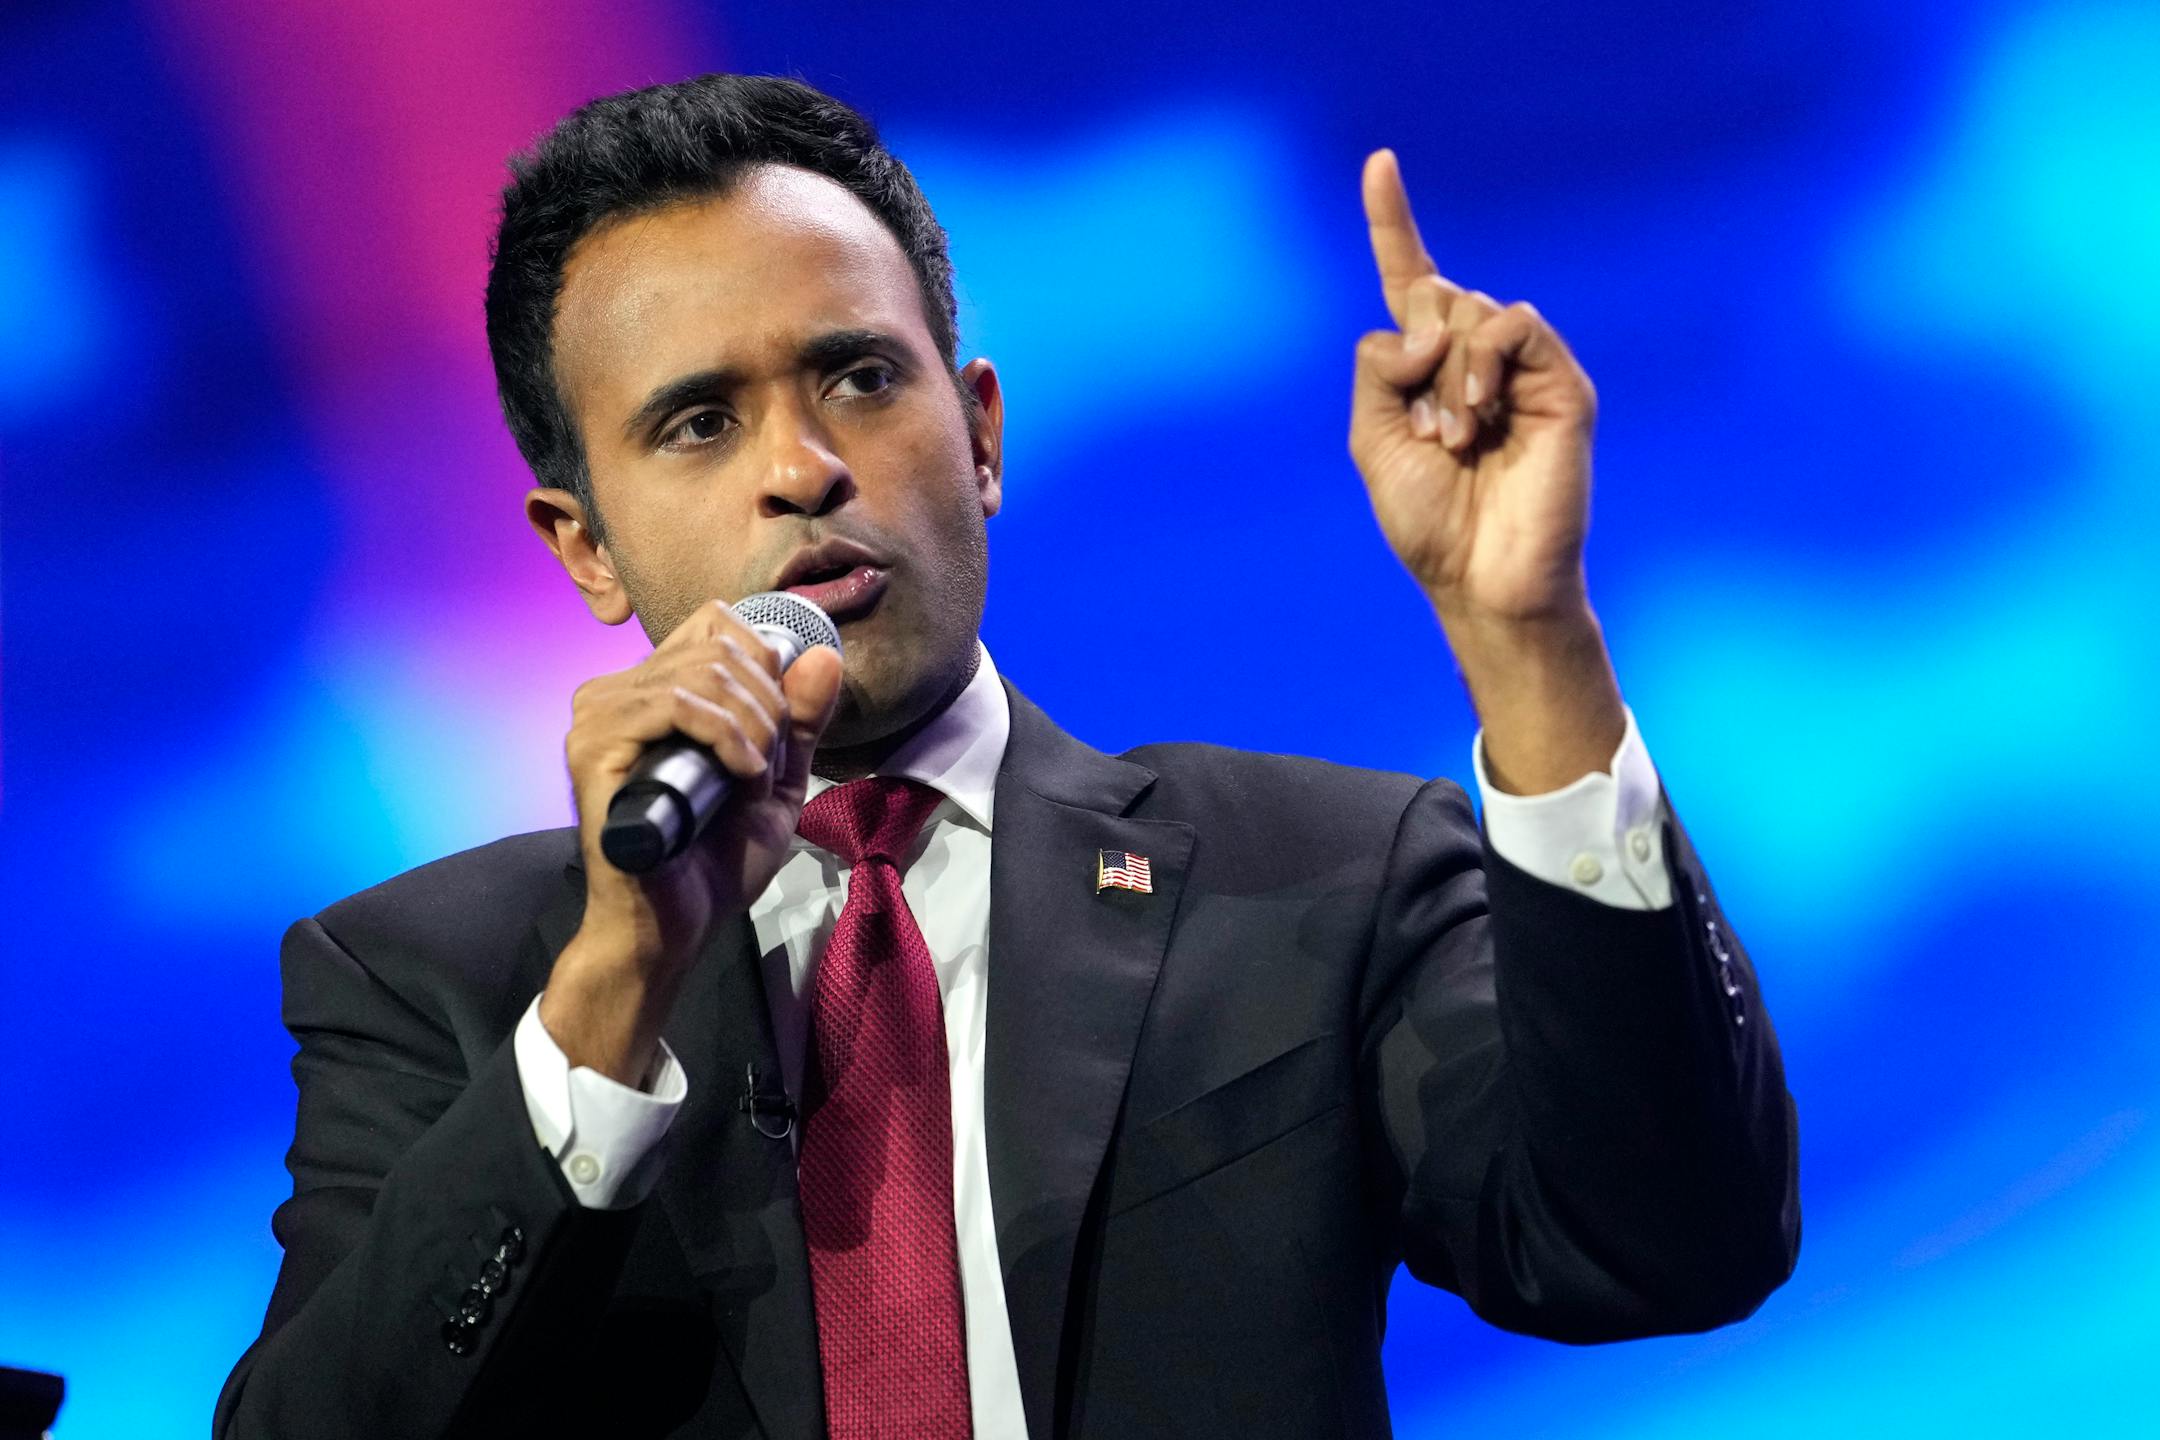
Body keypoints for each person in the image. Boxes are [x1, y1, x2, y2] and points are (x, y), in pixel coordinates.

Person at [213, 73, 1798, 1440]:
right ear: (585, 548)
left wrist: (1530, 642)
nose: (804, 469)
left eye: (858, 376)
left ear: (978, 433)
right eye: (699, 424)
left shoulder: (1317, 880)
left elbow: (1670, 1242)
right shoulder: (430, 984)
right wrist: (615, 990)